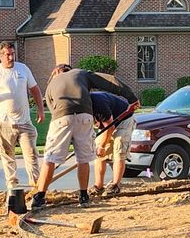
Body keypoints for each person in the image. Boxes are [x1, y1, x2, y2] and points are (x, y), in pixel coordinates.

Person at [34, 61, 129, 209]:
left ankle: (39, 196)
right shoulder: (81, 77)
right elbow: (109, 82)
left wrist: (100, 144)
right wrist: (132, 97)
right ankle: (83, 196)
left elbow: (54, 111)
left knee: (50, 158)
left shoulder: (52, 84)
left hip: (62, 116)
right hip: (84, 117)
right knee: (83, 159)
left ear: (55, 73)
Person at [0, 40, 42, 189]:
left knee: (32, 154)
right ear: (1, 55)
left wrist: (40, 109)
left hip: (24, 121)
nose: (11, 57)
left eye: (12, 54)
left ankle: (36, 185)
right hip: (4, 122)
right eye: (7, 55)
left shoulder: (23, 69)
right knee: (8, 155)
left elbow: (35, 90)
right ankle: (12, 186)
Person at [88, 80, 141, 197]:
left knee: (119, 151)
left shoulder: (98, 103)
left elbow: (110, 128)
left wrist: (102, 145)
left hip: (124, 120)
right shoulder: (83, 106)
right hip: (107, 124)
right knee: (99, 156)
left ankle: (115, 185)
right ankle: (99, 186)